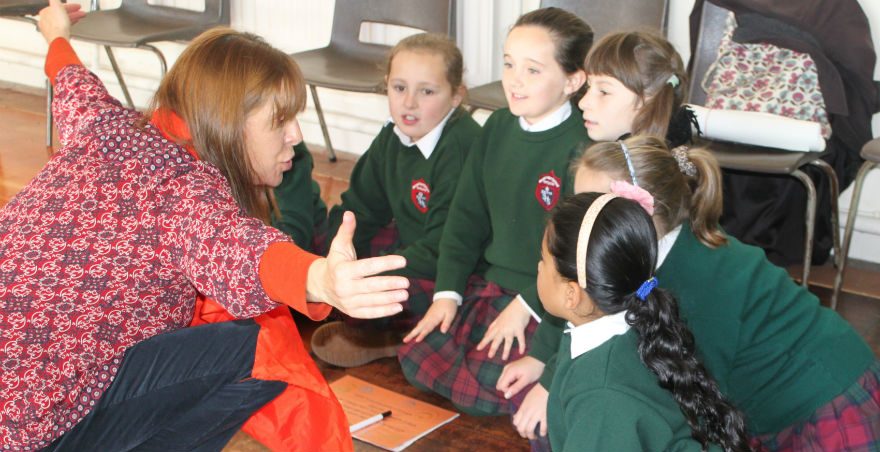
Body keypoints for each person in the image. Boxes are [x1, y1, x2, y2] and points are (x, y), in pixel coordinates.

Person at [0, 1, 410, 449]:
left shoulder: (105, 125)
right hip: (32, 428)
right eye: (280, 121)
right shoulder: (183, 191)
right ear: (230, 125)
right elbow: (242, 251)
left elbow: (70, 78)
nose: (295, 135)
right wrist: (321, 279)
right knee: (258, 351)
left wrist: (55, 32)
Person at [507, 136, 880, 450]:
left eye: (593, 202)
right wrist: (549, 372)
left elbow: (700, 396)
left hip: (819, 398)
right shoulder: (653, 257)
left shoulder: (691, 280)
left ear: (641, 213)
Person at [499, 29, 699, 441]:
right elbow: (580, 289)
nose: (584, 101)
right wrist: (544, 361)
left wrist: (553, 383)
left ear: (645, 101)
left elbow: (589, 293)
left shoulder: (632, 184)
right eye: (587, 87)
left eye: (602, 91)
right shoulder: (612, 159)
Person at [397, 7, 592, 416]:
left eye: (533, 70)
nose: (514, 80)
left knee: (494, 387)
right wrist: (447, 294)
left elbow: (578, 257)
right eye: (508, 64)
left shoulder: (584, 148)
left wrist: (528, 308)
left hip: (548, 300)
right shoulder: (497, 127)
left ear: (573, 80)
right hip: (488, 283)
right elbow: (465, 219)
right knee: (416, 355)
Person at [306, 33, 482, 368]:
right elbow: (359, 208)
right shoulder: (393, 135)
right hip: (414, 247)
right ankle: (380, 328)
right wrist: (332, 264)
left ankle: (390, 337)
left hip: (455, 268)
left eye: (427, 91)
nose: (409, 103)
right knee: (321, 250)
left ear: (456, 96)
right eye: (399, 88)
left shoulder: (460, 148)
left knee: (381, 294)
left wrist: (363, 276)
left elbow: (444, 249)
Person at [540, 192, 749, 451]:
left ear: (571, 295)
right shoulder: (633, 322)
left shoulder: (601, 396)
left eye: (543, 261)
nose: (538, 268)